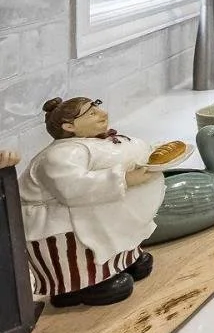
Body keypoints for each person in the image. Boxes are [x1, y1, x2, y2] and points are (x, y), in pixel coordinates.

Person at [20, 98, 166, 308]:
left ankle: (121, 263)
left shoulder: (95, 142)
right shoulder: (59, 154)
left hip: (101, 211)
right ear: (68, 126)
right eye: (91, 113)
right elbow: (73, 187)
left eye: (98, 107)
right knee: (81, 250)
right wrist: (125, 179)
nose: (102, 114)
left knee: (113, 226)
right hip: (58, 223)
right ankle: (85, 285)